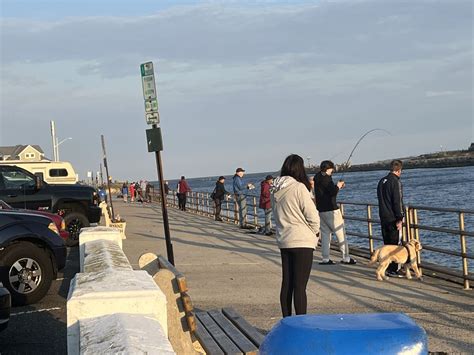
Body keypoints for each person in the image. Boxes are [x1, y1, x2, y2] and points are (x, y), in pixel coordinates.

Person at [272, 154, 320, 317]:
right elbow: (312, 215)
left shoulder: (275, 188)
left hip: (285, 240)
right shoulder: (299, 187)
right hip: (302, 240)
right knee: (300, 286)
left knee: (287, 284)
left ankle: (287, 321)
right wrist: (315, 232)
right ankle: (301, 322)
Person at [314, 160, 356, 265]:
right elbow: (332, 193)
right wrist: (338, 186)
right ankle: (346, 257)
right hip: (331, 210)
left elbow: (326, 191)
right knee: (340, 233)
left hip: (321, 210)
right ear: (328, 168)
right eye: (332, 168)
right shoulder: (327, 179)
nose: (333, 170)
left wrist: (337, 187)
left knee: (325, 234)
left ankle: (325, 258)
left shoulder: (317, 177)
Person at [377, 159, 405, 278]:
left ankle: (387, 267)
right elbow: (397, 201)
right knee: (395, 244)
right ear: (399, 170)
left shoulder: (381, 181)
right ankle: (394, 269)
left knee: (387, 244)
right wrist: (400, 217)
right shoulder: (395, 182)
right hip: (393, 218)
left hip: (383, 216)